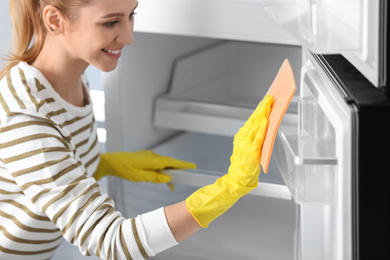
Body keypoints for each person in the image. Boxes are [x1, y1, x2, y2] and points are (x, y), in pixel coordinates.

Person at [0, 0, 273, 259]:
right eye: (111, 23)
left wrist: (100, 162)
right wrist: (229, 188)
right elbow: (111, 241)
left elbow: (42, 168)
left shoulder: (70, 77)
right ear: (55, 20)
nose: (128, 36)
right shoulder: (26, 115)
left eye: (131, 15)